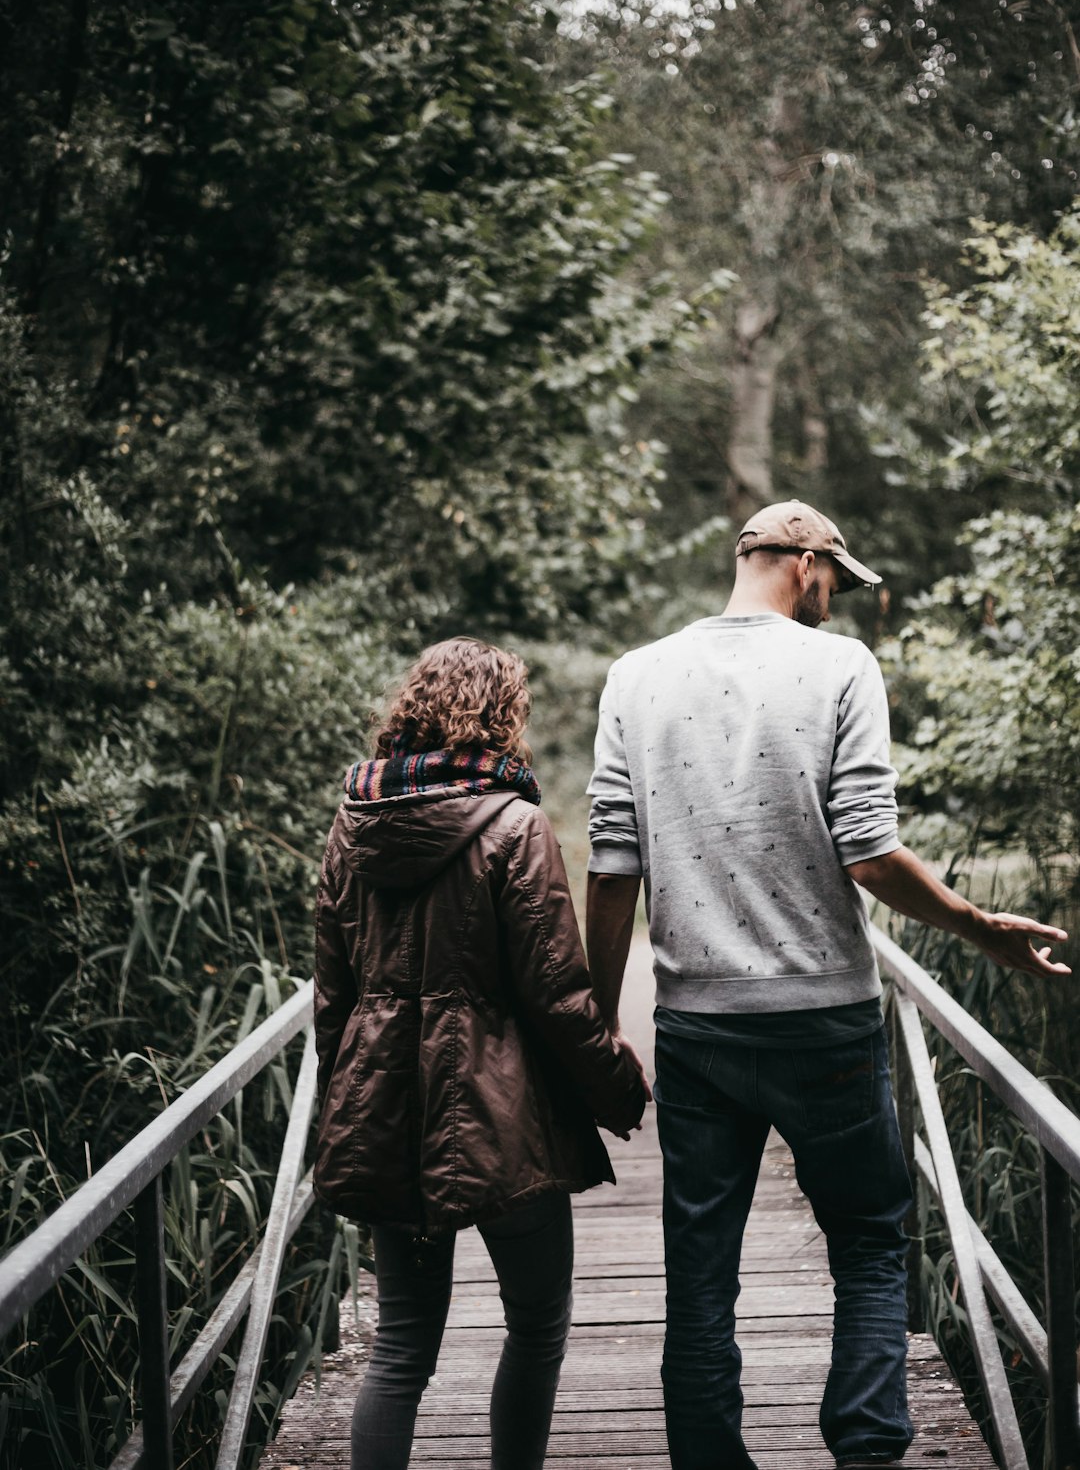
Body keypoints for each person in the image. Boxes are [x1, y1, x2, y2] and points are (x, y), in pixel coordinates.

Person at [584, 499, 1070, 1470]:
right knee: (870, 1243)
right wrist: (979, 927)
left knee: (700, 1274)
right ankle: (865, 1450)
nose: (834, 602)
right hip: (825, 1024)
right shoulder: (840, 667)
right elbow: (869, 852)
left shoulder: (634, 676)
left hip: (695, 1026)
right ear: (804, 562)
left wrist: (600, 1028)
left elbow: (610, 867)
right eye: (835, 583)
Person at [312, 636, 645, 1470]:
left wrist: (341, 1101)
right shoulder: (515, 822)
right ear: (501, 714)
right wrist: (617, 1085)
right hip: (502, 1117)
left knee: (400, 1346)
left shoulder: (351, 826)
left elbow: (332, 992)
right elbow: (556, 991)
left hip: (387, 1105)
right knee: (536, 1324)